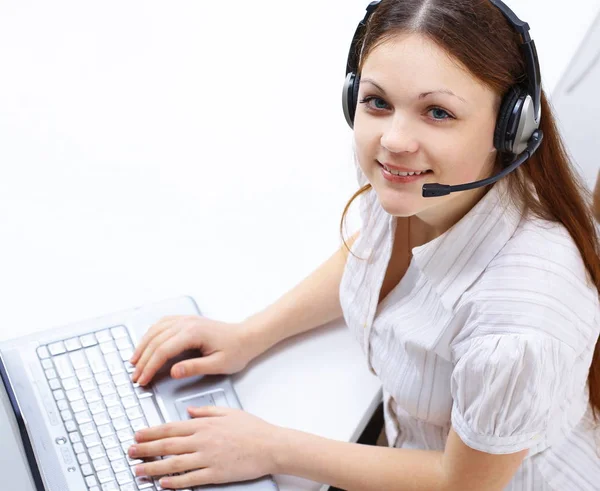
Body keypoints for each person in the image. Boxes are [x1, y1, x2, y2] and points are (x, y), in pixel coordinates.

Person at [126, 0, 600, 489]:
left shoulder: (520, 323)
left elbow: (463, 482)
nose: (394, 139)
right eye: (377, 101)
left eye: (437, 112)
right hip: (404, 447)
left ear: (510, 127)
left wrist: (270, 447)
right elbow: (369, 257)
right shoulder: (415, 185)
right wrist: (248, 335)